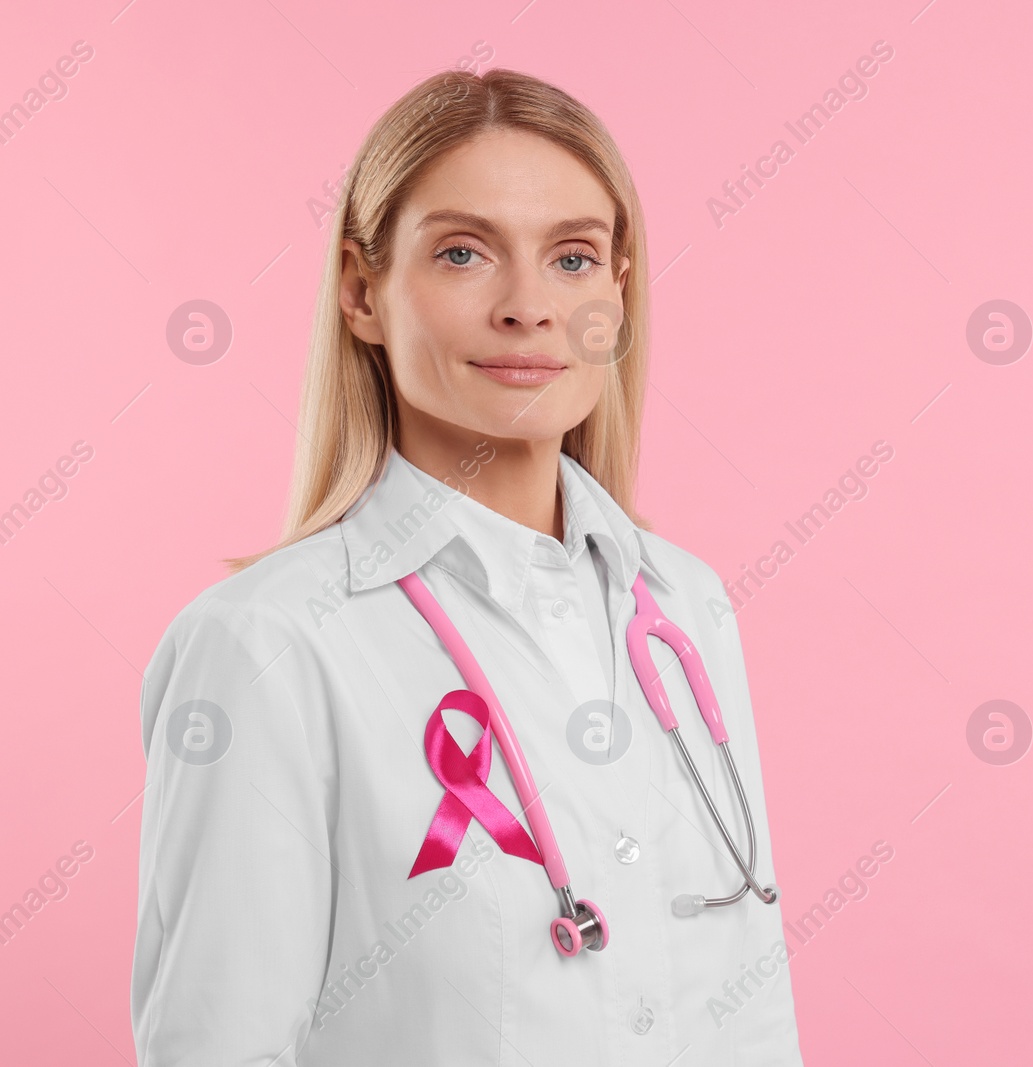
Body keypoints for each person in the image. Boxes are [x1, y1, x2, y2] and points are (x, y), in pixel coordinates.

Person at [130, 67, 803, 1066]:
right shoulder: (267, 645)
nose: (529, 307)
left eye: (573, 258)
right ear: (361, 291)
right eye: (462, 253)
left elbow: (749, 1005)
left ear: (616, 295)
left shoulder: (687, 603)